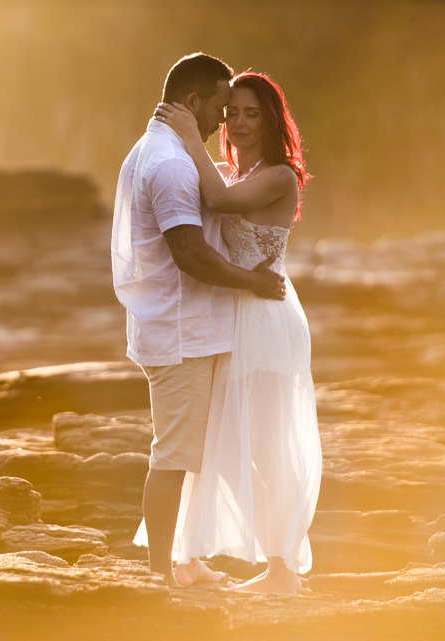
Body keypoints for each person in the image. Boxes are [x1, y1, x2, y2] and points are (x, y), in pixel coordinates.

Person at [111, 53, 286, 589]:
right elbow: (188, 253)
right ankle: (162, 576)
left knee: (204, 453)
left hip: (195, 329)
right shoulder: (168, 163)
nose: (224, 121)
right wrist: (252, 281)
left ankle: (188, 562)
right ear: (191, 104)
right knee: (173, 457)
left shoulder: (163, 151)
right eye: (219, 107)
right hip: (183, 334)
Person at [151, 72, 322, 595]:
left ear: (272, 120)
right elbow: (209, 195)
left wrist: (186, 137)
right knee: (223, 442)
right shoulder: (228, 170)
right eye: (233, 114)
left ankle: (282, 571)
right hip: (230, 321)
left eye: (253, 114)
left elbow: (221, 203)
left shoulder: (280, 176)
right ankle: (197, 555)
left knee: (267, 447)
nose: (240, 123)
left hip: (267, 319)